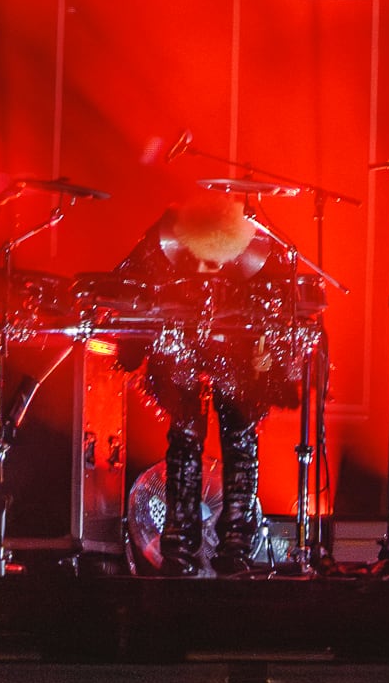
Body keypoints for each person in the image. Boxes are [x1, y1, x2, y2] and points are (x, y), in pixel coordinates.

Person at [124, 192, 293, 575]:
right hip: (183, 344)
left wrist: (269, 352)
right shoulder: (166, 238)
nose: (206, 268)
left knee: (239, 438)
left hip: (236, 349)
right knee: (185, 439)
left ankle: (235, 543)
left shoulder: (260, 246)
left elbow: (284, 302)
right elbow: (131, 280)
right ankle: (179, 546)